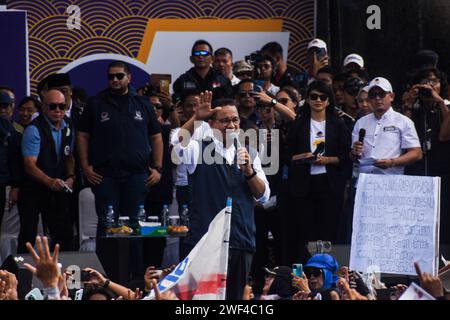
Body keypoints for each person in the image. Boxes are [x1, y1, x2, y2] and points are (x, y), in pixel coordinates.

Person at [171, 92, 270, 300]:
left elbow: (263, 196)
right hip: (205, 243)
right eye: (225, 121)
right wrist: (196, 119)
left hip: (240, 241)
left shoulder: (249, 153)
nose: (232, 125)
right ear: (212, 124)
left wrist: (249, 172)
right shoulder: (198, 149)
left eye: (235, 120)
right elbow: (177, 145)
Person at [77, 60, 163, 237]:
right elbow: (82, 136)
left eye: (119, 76)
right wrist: (85, 167)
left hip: (137, 175)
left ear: (129, 78)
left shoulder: (143, 103)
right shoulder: (95, 103)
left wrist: (158, 168)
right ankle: (102, 266)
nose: (114, 79)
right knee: (107, 225)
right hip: (105, 175)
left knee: (135, 225)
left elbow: (156, 137)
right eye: (111, 77)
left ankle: (135, 266)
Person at [287, 80, 351, 263]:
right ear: (307, 99)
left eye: (323, 97)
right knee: (306, 231)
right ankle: (308, 272)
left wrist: (326, 160)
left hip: (329, 184)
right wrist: (303, 157)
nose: (318, 100)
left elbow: (345, 157)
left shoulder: (338, 124)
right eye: (314, 96)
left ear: (329, 101)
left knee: (329, 230)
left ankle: (327, 270)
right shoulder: (298, 125)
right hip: (304, 185)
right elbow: (287, 156)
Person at [17, 89, 75, 252]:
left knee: (64, 234)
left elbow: (69, 154)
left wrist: (71, 176)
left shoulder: (69, 125)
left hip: (57, 188)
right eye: (53, 106)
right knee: (28, 234)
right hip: (33, 189)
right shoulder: (33, 130)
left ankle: (66, 276)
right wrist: (49, 181)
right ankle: (19, 275)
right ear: (43, 107)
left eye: (62, 106)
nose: (58, 110)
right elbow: (29, 165)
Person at [351, 77, 422, 175]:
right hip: (365, 180)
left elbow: (416, 153)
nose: (377, 98)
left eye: (381, 94)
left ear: (391, 96)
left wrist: (392, 162)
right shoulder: (360, 123)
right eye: (373, 95)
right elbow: (353, 156)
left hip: (390, 181)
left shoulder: (403, 121)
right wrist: (354, 152)